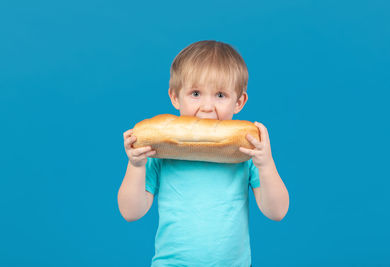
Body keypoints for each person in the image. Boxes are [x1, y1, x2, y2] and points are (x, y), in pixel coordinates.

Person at [118, 40, 289, 266]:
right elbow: (131, 212)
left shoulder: (246, 152)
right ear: (175, 97)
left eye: (220, 95)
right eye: (196, 93)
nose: (207, 107)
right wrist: (136, 165)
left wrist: (266, 164)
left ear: (239, 102)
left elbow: (276, 212)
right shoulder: (159, 151)